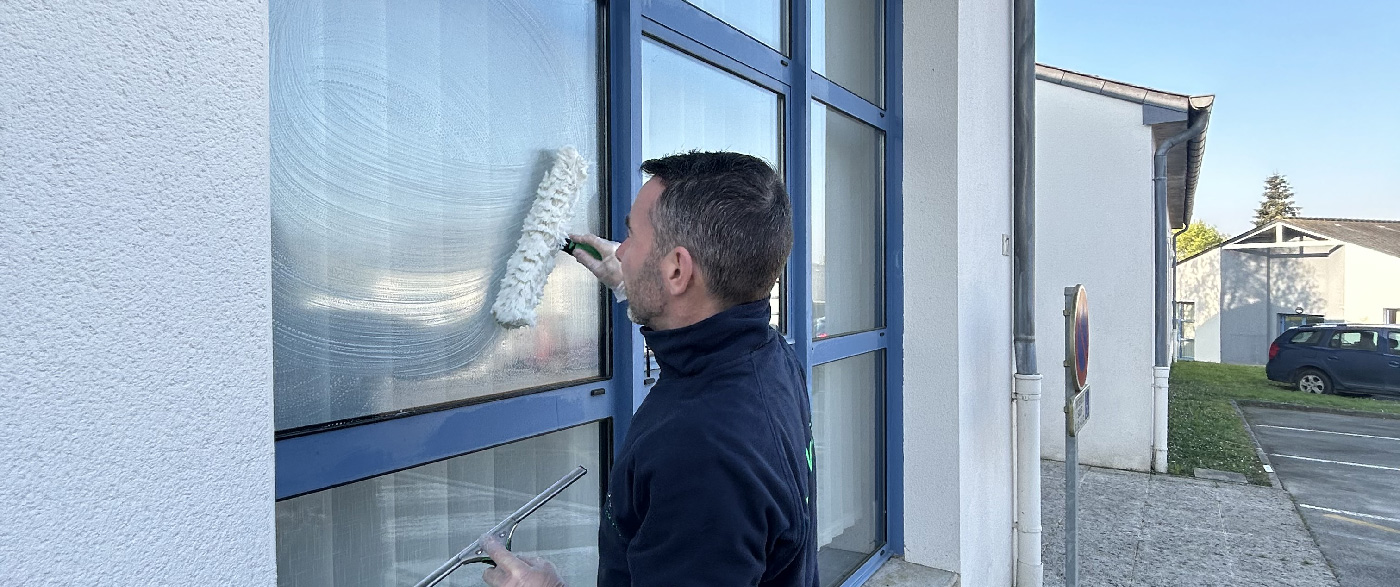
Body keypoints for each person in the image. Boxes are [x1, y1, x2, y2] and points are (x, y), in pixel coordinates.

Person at [481, 151, 818, 587]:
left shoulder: (703, 457)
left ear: (677, 269)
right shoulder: (767, 356)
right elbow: (697, 339)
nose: (620, 250)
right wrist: (631, 284)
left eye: (632, 236)